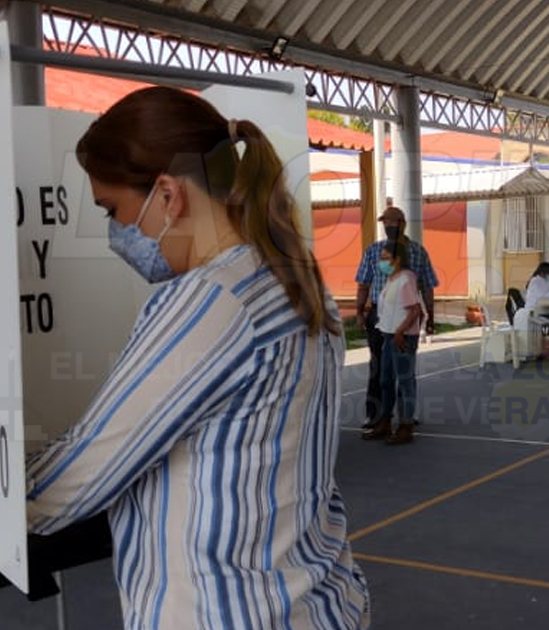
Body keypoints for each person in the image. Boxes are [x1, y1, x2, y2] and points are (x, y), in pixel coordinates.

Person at [25, 86, 370, 630]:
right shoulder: (293, 280)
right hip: (313, 604)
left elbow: (78, 478)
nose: (117, 234)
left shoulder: (212, 300)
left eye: (113, 210)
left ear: (168, 194)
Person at [355, 206, 438, 429]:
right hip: (379, 319)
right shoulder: (374, 251)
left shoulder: (417, 252)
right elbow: (363, 284)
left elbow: (428, 287)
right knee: (379, 369)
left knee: (404, 371)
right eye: (385, 222)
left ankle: (405, 417)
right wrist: (359, 312)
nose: (387, 226)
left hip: (405, 323)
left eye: (392, 222)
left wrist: (430, 317)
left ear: (402, 223)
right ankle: (376, 415)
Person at [362, 241, 424, 444]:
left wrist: (401, 331)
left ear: (397, 260)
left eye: (385, 258)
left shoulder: (406, 280)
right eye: (381, 258)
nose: (382, 262)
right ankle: (385, 421)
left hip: (401, 336)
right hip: (388, 334)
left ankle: (406, 425)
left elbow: (415, 310)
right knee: (385, 380)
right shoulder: (391, 279)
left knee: (405, 381)